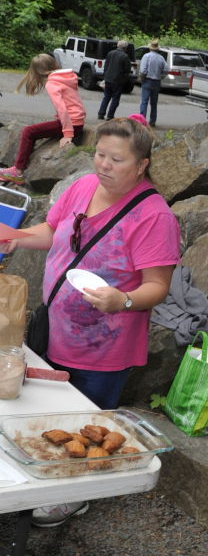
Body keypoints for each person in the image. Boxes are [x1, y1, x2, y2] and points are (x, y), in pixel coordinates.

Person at [0, 114, 180, 527]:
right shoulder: (82, 186)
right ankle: (37, 475)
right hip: (53, 330)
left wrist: (124, 299)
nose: (103, 165)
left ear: (141, 165)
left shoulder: (154, 217)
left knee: (87, 431)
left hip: (103, 349)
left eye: (116, 159)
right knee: (43, 419)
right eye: (100, 154)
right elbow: (50, 231)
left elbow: (158, 285)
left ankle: (74, 496)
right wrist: (14, 236)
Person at [0, 55, 86, 187]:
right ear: (55, 64)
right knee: (36, 131)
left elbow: (62, 109)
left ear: (37, 72)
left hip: (72, 125)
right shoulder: (67, 77)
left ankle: (18, 171)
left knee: (28, 131)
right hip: (78, 122)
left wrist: (68, 133)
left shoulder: (51, 83)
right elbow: (73, 101)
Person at [97, 40, 132, 121]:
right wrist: (124, 79)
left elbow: (106, 65)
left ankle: (101, 113)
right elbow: (127, 69)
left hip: (108, 79)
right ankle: (110, 115)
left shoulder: (110, 53)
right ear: (125, 47)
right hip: (117, 80)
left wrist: (105, 76)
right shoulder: (125, 56)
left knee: (106, 97)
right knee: (115, 99)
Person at [139, 39, 168, 127]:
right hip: (157, 81)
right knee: (154, 103)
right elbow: (166, 70)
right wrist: (161, 77)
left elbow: (143, 70)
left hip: (147, 80)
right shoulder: (161, 58)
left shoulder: (146, 56)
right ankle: (152, 121)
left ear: (150, 48)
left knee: (144, 101)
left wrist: (142, 78)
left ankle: (142, 121)